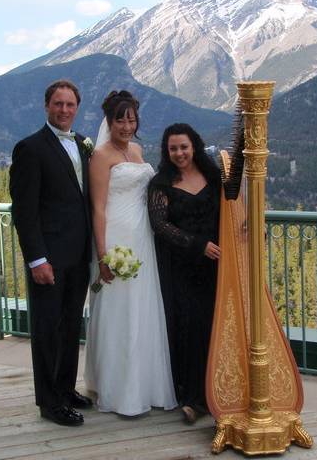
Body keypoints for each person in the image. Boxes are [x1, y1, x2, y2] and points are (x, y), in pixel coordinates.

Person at [84, 90, 177, 416]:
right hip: (116, 238)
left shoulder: (137, 150)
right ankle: (117, 390)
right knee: (118, 313)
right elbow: (97, 208)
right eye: (120, 119)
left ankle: (144, 385)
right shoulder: (101, 156)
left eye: (131, 119)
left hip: (143, 238)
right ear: (109, 122)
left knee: (143, 309)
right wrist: (103, 252)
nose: (126, 125)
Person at [9, 79, 93, 427]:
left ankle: (65, 388)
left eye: (70, 104)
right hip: (50, 258)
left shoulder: (83, 145)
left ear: (77, 108)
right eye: (57, 104)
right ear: (46, 106)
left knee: (71, 326)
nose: (63, 110)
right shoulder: (30, 148)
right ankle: (49, 402)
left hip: (78, 255)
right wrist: (37, 259)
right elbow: (24, 211)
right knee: (46, 330)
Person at [147, 123, 221, 424]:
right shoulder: (161, 183)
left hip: (217, 265)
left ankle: (220, 390)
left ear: (195, 147)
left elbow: (230, 211)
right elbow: (159, 225)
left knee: (214, 327)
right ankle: (193, 397)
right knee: (190, 329)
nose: (179, 153)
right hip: (181, 267)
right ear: (167, 151)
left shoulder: (213, 176)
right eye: (173, 148)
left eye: (184, 147)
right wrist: (197, 245)